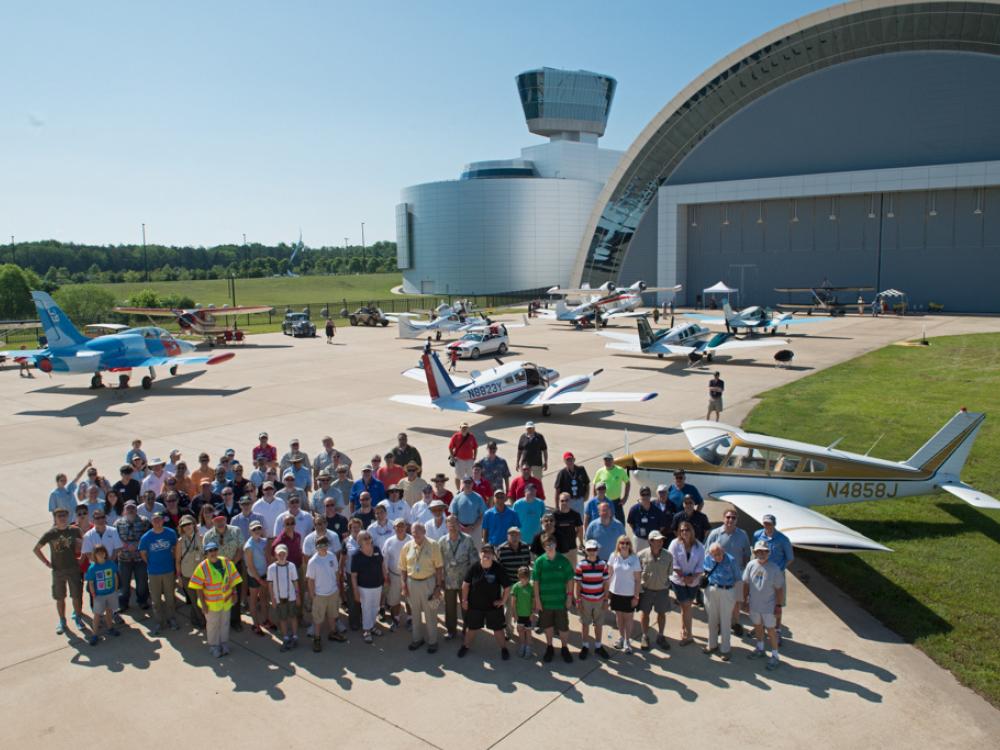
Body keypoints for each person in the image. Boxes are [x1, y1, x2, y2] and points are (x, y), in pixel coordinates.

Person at [34, 508, 85, 635]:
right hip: (58, 571)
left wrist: (82, 558)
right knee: (60, 597)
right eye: (59, 516)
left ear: (68, 517)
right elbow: (36, 549)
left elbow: (86, 543)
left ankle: (78, 618)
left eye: (64, 515)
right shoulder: (51, 534)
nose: (62, 518)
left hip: (73, 568)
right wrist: (46, 562)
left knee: (77, 596)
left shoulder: (74, 530)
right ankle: (62, 621)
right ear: (55, 518)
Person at [188, 540, 242, 657]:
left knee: (225, 623)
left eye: (215, 550)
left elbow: (233, 580)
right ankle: (214, 646)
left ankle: (224, 643)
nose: (213, 552)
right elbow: (198, 588)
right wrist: (203, 604)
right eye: (210, 551)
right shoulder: (202, 567)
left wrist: (235, 593)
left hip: (226, 601)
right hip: (211, 603)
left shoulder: (227, 562)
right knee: (213, 625)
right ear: (206, 554)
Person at [457, 544, 512, 660]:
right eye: (484, 552)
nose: (486, 555)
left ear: (493, 555)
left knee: (498, 630)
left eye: (489, 553)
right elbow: (465, 585)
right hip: (475, 606)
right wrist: (464, 600)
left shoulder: (498, 568)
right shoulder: (474, 567)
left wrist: (503, 600)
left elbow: (507, 587)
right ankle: (465, 646)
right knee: (471, 628)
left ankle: (504, 648)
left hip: (493, 607)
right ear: (480, 554)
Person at [706, 509, 752, 635]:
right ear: (723, 518)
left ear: (737, 520)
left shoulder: (743, 534)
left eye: (733, 518)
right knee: (721, 602)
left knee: (736, 601)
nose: (730, 520)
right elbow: (707, 553)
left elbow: (747, 554)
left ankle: (735, 622)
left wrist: (745, 572)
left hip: (737, 575)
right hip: (719, 576)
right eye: (728, 517)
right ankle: (721, 624)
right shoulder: (715, 534)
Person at [400, 522, 444, 653]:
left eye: (418, 531)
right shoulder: (407, 546)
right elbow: (402, 568)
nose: (416, 534)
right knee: (415, 613)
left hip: (428, 582)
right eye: (413, 532)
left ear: (424, 531)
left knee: (430, 612)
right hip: (412, 582)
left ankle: (432, 641)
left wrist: (438, 586)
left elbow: (439, 567)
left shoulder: (433, 545)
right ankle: (417, 639)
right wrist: (404, 584)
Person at [743, 540, 785, 670]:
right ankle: (760, 648)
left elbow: (779, 589)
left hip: (769, 606)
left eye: (764, 551)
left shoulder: (774, 568)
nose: (761, 553)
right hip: (754, 604)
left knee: (771, 630)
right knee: (757, 626)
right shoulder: (750, 565)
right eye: (759, 551)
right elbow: (746, 584)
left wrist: (778, 606)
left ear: (768, 552)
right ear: (755, 552)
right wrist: (745, 601)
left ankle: (775, 655)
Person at [532, 535, 574, 663]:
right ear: (544, 547)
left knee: (563, 627)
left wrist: (569, 597)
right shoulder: (539, 562)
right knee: (548, 626)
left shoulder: (563, 561)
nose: (549, 547)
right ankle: (549, 647)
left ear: (556, 545)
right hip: (545, 602)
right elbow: (536, 582)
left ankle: (564, 648)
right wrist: (537, 600)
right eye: (546, 545)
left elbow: (570, 580)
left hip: (560, 601)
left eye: (551, 544)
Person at [752, 513, 794, 637]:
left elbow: (790, 558)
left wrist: (779, 570)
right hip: (761, 573)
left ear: (774, 524)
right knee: (760, 600)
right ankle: (760, 628)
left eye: (769, 523)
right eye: (765, 523)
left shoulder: (783, 539)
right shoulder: (757, 535)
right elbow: (755, 551)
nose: (767, 525)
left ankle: (777, 630)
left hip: (776, 575)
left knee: (777, 603)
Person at [138, 512, 179, 635]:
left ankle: (172, 618)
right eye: (155, 520)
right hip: (153, 572)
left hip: (168, 570)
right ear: (151, 522)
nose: (157, 522)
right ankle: (159, 621)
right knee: (155, 599)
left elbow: (175, 548)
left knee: (170, 597)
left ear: (163, 521)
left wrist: (172, 560)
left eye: (159, 519)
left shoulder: (170, 533)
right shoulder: (146, 537)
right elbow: (143, 553)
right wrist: (150, 563)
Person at [203, 513, 245, 632]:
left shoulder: (235, 531)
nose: (219, 522)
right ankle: (222, 621)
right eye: (216, 520)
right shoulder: (208, 535)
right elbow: (206, 554)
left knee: (234, 593)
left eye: (221, 519)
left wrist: (230, 565)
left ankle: (235, 621)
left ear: (225, 519)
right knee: (219, 595)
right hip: (216, 570)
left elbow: (240, 549)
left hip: (234, 566)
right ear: (212, 521)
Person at [703, 541, 743, 661]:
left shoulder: (731, 560)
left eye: (719, 553)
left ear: (723, 551)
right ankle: (712, 644)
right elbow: (704, 571)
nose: (717, 557)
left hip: (727, 591)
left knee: (725, 621)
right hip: (711, 590)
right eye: (714, 555)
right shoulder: (708, 559)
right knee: (712, 619)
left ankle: (725, 649)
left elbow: (738, 579)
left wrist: (739, 598)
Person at [440, 515, 477, 640]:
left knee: (466, 606)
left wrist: (472, 580)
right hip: (449, 581)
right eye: (449, 524)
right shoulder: (442, 541)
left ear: (458, 524)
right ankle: (451, 630)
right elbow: (439, 563)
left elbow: (474, 561)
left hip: (464, 582)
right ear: (446, 525)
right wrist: (440, 580)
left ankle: (467, 629)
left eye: (454, 523)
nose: (452, 526)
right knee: (449, 608)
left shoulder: (468, 539)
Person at [306, 536, 347, 650]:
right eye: (320, 546)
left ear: (328, 545)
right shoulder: (313, 561)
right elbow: (311, 580)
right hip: (320, 595)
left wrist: (338, 587)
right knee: (318, 619)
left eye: (325, 545)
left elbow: (336, 572)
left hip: (333, 592)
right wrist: (312, 594)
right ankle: (317, 638)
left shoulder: (332, 556)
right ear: (316, 547)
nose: (323, 548)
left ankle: (333, 633)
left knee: (333, 614)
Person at [574, 538, 611, 660]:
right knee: (585, 624)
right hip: (585, 599)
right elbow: (578, 584)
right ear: (586, 551)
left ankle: (598, 646)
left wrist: (606, 600)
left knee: (599, 624)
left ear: (598, 550)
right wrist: (578, 600)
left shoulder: (603, 565)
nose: (592, 552)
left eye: (594, 549)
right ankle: (585, 646)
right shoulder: (581, 565)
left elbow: (606, 583)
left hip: (599, 600)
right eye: (589, 550)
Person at [668, 521, 704, 646]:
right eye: (682, 530)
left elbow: (701, 565)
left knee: (685, 607)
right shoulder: (674, 544)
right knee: (687, 605)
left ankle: (683, 629)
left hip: (694, 581)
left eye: (687, 530)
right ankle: (689, 635)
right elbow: (673, 562)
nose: (684, 532)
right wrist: (683, 577)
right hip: (678, 581)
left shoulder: (699, 546)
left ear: (692, 531)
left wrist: (692, 577)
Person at [636, 530, 672, 651]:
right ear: (650, 542)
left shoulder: (668, 555)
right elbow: (636, 573)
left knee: (661, 614)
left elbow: (670, 573)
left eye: (661, 540)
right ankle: (645, 636)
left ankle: (660, 636)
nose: (660, 542)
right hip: (646, 590)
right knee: (645, 613)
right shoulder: (641, 555)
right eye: (657, 540)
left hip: (662, 591)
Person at [114, 500, 150, 614]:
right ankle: (123, 604)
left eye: (133, 508)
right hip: (124, 559)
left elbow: (148, 536)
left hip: (140, 559)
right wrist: (126, 545)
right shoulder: (118, 523)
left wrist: (137, 545)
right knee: (124, 585)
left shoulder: (144, 521)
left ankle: (142, 601)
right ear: (124, 510)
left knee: (142, 583)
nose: (130, 510)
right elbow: (115, 539)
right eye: (128, 508)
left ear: (136, 509)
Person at [350, 531, 386, 644]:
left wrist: (385, 578)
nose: (367, 539)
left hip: (378, 585)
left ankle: (373, 626)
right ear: (359, 541)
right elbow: (354, 575)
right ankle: (366, 630)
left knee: (375, 607)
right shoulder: (356, 555)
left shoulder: (376, 549)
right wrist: (355, 590)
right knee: (366, 608)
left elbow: (382, 564)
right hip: (364, 587)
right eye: (365, 538)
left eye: (369, 537)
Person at [608, 536, 642, 653]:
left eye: (627, 543)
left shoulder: (634, 558)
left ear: (630, 545)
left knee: (628, 618)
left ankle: (628, 642)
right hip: (616, 592)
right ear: (618, 544)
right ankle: (621, 637)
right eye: (622, 543)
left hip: (629, 594)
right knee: (619, 617)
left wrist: (636, 596)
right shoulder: (613, 556)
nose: (624, 545)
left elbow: (638, 580)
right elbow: (609, 575)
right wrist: (608, 593)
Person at [497, 527, 532, 638]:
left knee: (523, 607)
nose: (514, 537)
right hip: (508, 584)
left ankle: (523, 629)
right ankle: (508, 630)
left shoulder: (526, 547)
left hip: (522, 584)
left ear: (520, 536)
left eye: (516, 534)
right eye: (511, 535)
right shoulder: (502, 549)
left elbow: (527, 564)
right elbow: (499, 568)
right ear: (507, 536)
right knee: (508, 609)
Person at [84, 544, 120, 645]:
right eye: (98, 553)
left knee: (109, 612)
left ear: (105, 553)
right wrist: (93, 594)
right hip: (99, 595)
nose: (101, 555)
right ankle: (94, 635)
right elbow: (90, 583)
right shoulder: (92, 568)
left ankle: (110, 628)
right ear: (94, 555)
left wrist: (115, 590)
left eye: (102, 553)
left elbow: (115, 577)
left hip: (111, 593)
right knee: (97, 615)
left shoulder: (111, 564)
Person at [267, 544, 300, 651]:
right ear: (276, 555)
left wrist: (298, 595)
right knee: (282, 618)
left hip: (291, 597)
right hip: (279, 598)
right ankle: (285, 637)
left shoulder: (291, 566)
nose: (281, 556)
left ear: (287, 554)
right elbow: (270, 585)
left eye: (283, 554)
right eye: (279, 554)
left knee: (293, 616)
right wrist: (272, 598)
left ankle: (295, 636)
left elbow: (295, 582)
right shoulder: (271, 568)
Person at [381, 519, 412, 631]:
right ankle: (396, 620)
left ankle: (410, 619)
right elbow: (384, 560)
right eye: (397, 526)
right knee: (394, 600)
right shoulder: (389, 541)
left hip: (409, 576)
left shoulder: (411, 540)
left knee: (409, 599)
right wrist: (386, 575)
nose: (399, 528)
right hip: (393, 575)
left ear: (406, 527)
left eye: (402, 526)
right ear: (394, 528)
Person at [175, 515, 205, 628]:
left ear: (193, 524)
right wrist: (179, 577)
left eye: (189, 524)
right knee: (194, 600)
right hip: (187, 575)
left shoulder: (201, 538)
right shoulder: (180, 542)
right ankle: (201, 621)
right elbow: (177, 560)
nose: (187, 527)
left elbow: (205, 556)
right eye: (184, 525)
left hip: (200, 574)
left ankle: (197, 619)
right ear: (181, 528)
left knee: (201, 599)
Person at [243, 520, 271, 636]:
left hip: (264, 574)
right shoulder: (248, 546)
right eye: (254, 529)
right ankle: (256, 624)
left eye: (258, 528)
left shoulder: (264, 542)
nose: (257, 531)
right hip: (254, 577)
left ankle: (265, 620)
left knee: (264, 598)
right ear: (250, 531)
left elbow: (268, 558)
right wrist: (260, 580)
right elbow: (250, 566)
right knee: (254, 600)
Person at [627, 486, 666, 553]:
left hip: (653, 540)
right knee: (639, 559)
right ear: (640, 495)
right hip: (639, 540)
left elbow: (662, 526)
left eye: (647, 494)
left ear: (650, 495)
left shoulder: (657, 511)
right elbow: (630, 523)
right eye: (643, 494)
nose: (645, 496)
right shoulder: (634, 509)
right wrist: (636, 531)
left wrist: (654, 535)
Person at [451, 475, 487, 550]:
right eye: (465, 482)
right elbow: (453, 515)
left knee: (476, 551)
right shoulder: (457, 498)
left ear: (472, 484)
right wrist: (460, 527)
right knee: (461, 552)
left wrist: (473, 526)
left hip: (475, 529)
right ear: (462, 484)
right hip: (460, 530)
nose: (467, 484)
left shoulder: (478, 497)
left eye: (469, 482)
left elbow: (482, 515)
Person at [592, 453, 629, 523]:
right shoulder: (600, 471)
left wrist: (625, 497)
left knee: (620, 522)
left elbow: (627, 482)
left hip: (617, 501)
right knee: (604, 521)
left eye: (609, 460)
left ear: (613, 460)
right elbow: (594, 484)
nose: (607, 462)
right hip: (604, 501)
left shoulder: (620, 470)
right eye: (605, 460)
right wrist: (596, 499)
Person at [553, 451, 589, 517]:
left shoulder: (581, 469)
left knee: (579, 521)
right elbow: (557, 490)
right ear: (564, 461)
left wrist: (587, 495)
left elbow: (587, 483)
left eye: (571, 459)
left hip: (579, 500)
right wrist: (557, 506)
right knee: (569, 521)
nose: (569, 461)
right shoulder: (562, 473)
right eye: (567, 460)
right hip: (567, 502)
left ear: (574, 459)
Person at [510, 566, 535, 659]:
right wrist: (514, 614)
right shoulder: (516, 587)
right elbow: (513, 602)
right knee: (520, 631)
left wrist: (533, 613)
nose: (524, 580)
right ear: (518, 577)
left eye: (526, 578)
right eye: (522, 578)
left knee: (528, 632)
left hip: (528, 615)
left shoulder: (531, 587)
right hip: (519, 615)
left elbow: (533, 601)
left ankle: (528, 647)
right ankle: (522, 645)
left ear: (529, 577)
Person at [512, 483, 546, 547]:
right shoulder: (517, 504)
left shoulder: (540, 503)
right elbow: (513, 521)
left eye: (534, 491)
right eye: (530, 490)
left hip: (536, 538)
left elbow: (544, 519)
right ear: (525, 491)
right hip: (521, 539)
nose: (532, 492)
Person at [447, 422, 478, 490]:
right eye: (463, 427)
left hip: (469, 460)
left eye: (466, 427)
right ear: (460, 428)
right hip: (459, 460)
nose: (464, 429)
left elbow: (475, 447)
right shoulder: (456, 436)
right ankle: (458, 490)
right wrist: (452, 457)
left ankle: (470, 489)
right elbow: (450, 447)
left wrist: (474, 457)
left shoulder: (471, 436)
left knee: (470, 476)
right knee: (458, 476)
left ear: (468, 429)